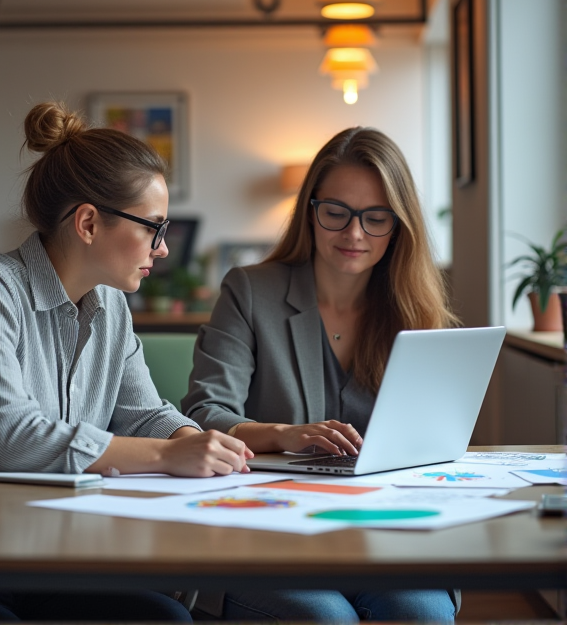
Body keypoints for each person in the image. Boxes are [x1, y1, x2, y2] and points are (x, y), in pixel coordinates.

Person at [0, 102, 251, 622]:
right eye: (154, 227)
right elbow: (13, 440)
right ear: (87, 223)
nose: (164, 248)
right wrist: (166, 457)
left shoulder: (111, 307)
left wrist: (192, 442)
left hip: (44, 551)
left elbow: (144, 412)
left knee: (166, 617)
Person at [182, 126, 459, 622]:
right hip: (271, 536)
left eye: (376, 218)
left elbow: (432, 439)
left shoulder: (414, 312)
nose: (354, 234)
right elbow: (204, 414)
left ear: (398, 226)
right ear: (310, 211)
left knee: (423, 613)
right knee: (326, 618)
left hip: (384, 534)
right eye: (336, 213)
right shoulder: (249, 291)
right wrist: (284, 435)